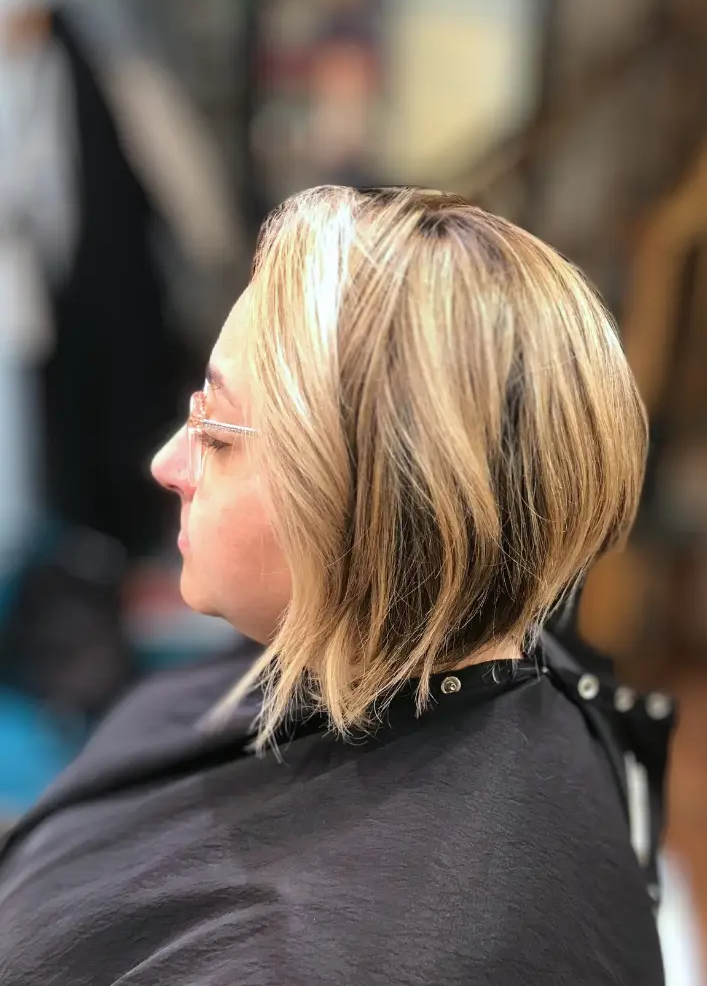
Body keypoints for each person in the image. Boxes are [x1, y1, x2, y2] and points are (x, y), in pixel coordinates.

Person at [0, 186, 664, 985]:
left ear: (377, 496)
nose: (167, 464)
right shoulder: (391, 664)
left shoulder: (322, 959)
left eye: (216, 431)